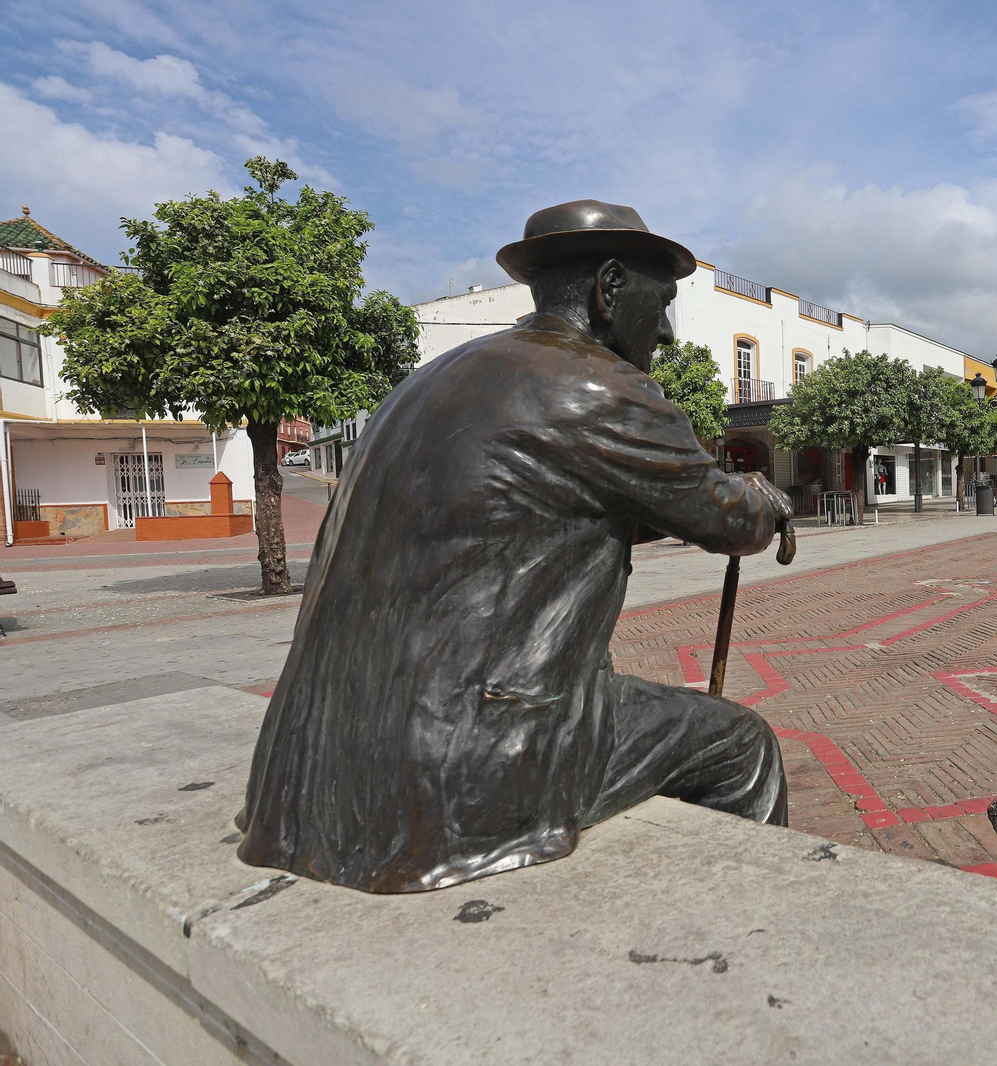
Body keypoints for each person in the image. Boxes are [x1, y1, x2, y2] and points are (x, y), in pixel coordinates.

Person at [236, 201, 793, 893]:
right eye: (665, 302)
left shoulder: (426, 385)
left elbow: (543, 511)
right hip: (467, 768)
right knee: (742, 747)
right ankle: (754, 926)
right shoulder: (602, 388)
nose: (669, 329)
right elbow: (726, 520)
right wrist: (764, 501)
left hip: (314, 769)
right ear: (610, 287)